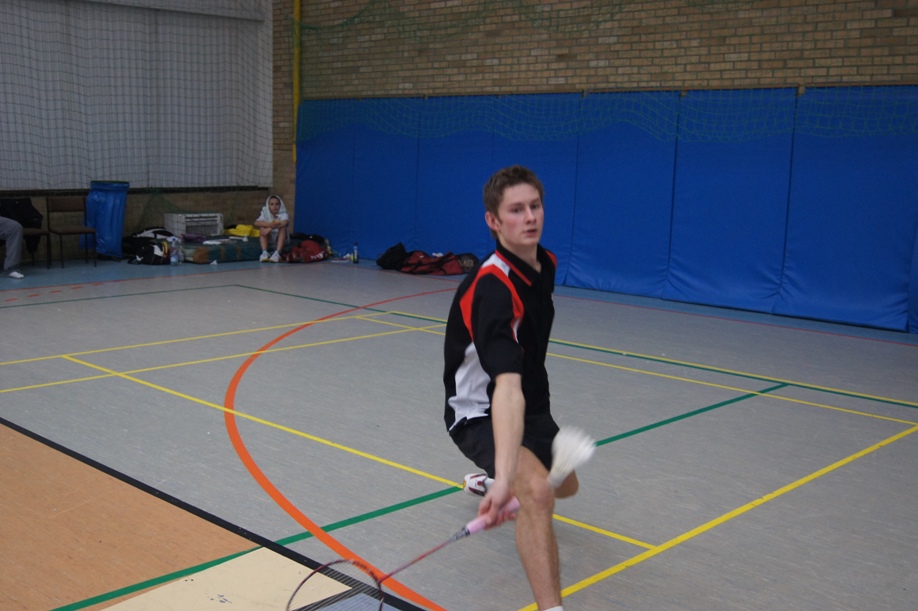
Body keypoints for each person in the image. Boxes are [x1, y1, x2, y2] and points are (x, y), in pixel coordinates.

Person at [443, 165, 578, 611]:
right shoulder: (492, 288)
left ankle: (490, 480)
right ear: (494, 221)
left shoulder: (546, 264)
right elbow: (505, 388)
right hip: (480, 411)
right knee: (536, 493)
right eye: (516, 210)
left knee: (567, 485)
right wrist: (510, 477)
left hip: (533, 404)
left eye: (535, 206)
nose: (530, 217)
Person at [254, 194, 289, 262]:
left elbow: (285, 222)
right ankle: (264, 253)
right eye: (272, 204)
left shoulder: (283, 214)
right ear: (268, 205)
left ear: (280, 205)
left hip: (281, 239)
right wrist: (269, 225)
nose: (274, 206)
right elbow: (256, 222)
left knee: (282, 228)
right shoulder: (265, 213)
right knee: (262, 228)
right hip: (270, 238)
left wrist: (270, 228)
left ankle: (277, 253)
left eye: (277, 204)